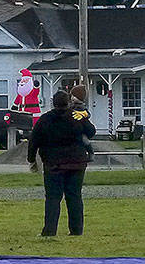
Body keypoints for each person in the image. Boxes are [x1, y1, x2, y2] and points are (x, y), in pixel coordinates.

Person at [28, 89, 95, 236]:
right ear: (68, 102)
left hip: (53, 164)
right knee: (74, 196)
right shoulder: (75, 116)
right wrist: (83, 118)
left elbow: (34, 141)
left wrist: (31, 159)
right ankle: (76, 230)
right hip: (77, 163)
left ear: (53, 103)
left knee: (53, 198)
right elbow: (91, 132)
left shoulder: (45, 119)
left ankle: (50, 231)